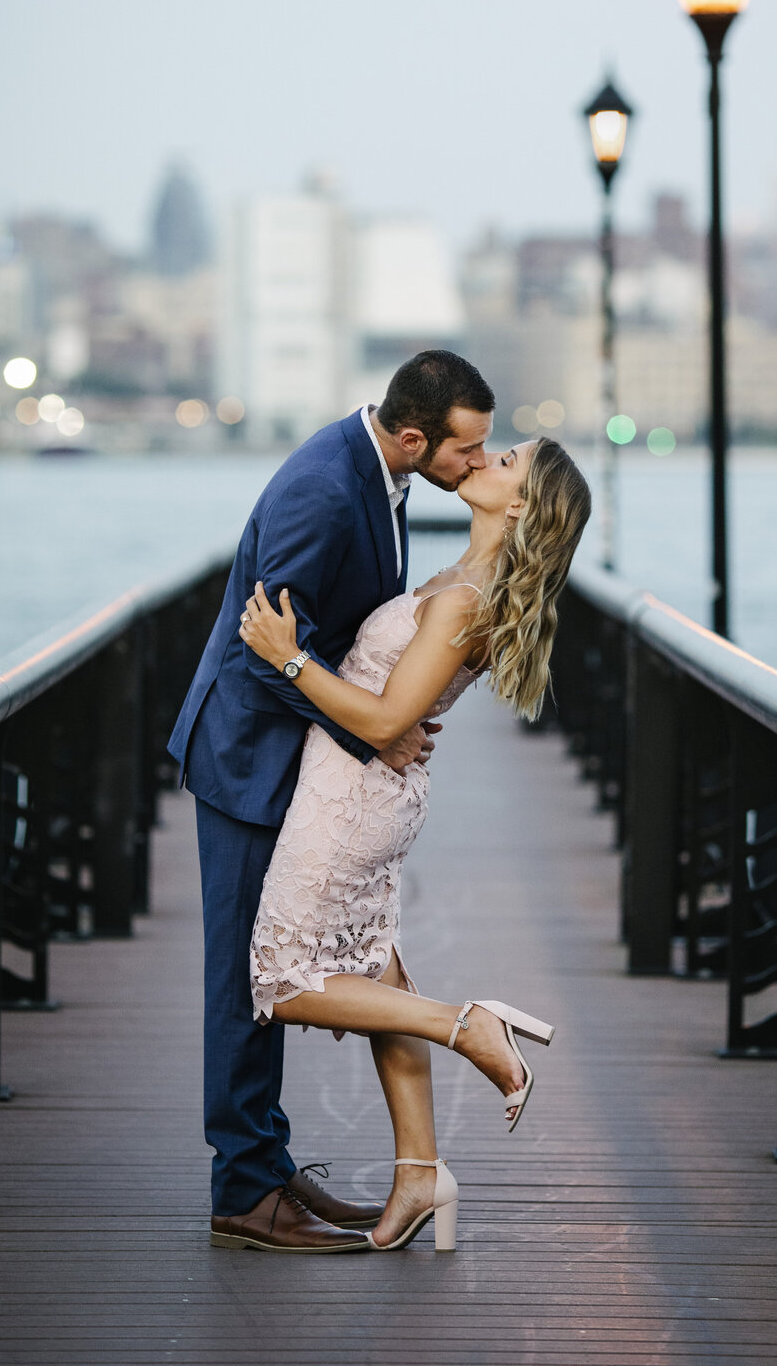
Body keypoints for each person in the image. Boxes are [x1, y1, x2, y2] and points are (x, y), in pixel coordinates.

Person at [167, 351, 495, 1254]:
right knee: (245, 974)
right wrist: (374, 734)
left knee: (277, 962)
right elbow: (259, 650)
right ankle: (243, 1190)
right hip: (248, 764)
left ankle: (267, 1168)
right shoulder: (323, 486)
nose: (474, 466)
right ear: (416, 436)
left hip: (297, 764)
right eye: (467, 450)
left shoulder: (379, 472)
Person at [237, 434, 591, 1252]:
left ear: (523, 506)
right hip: (361, 790)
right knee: (375, 976)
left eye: (507, 462)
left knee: (283, 985)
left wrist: (289, 661)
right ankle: (420, 1173)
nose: (487, 460)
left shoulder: (469, 597)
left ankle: (465, 1024)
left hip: (352, 800)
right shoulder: (456, 578)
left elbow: (390, 720)